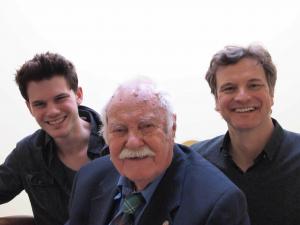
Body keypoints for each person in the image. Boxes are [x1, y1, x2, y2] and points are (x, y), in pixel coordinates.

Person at [67, 77, 250, 225]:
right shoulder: (89, 178)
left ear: (172, 128)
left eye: (146, 126)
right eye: (119, 130)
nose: (133, 142)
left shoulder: (217, 204)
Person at [191, 44, 300, 225]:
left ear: (271, 93)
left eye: (254, 85)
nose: (242, 96)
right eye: (229, 88)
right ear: (217, 101)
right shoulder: (195, 163)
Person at [0, 53, 106, 225]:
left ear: (78, 95)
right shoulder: (27, 153)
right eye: (40, 104)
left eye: (60, 98)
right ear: (29, 107)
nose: (52, 111)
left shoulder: (118, 141)